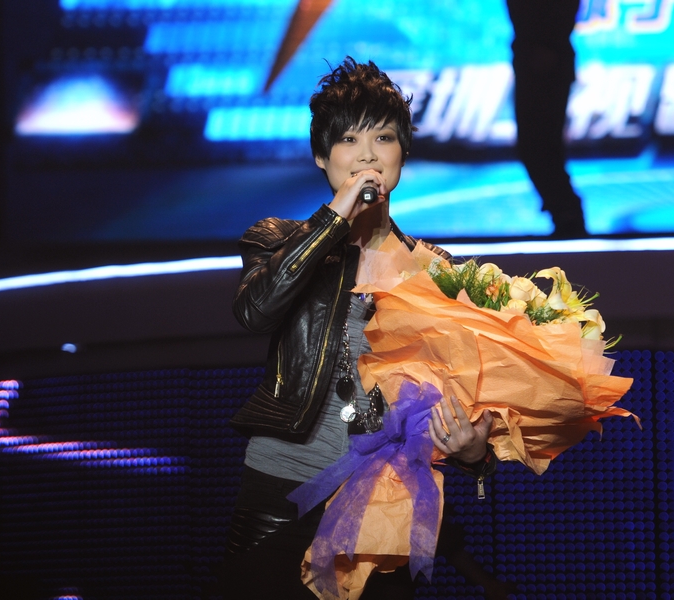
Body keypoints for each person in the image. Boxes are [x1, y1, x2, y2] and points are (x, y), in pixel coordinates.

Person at [211, 57, 505, 600]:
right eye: (348, 139)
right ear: (322, 157)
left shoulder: (438, 271)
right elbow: (256, 311)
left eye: (383, 137)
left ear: (402, 155)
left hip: (380, 502)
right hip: (281, 492)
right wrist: (335, 217)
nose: (367, 154)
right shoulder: (275, 239)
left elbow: (462, 395)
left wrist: (473, 455)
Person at [506, 0, 588, 239]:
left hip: (544, 59)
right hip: (536, 56)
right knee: (537, 145)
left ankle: (567, 214)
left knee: (538, 145)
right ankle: (565, 214)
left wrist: (546, 47)